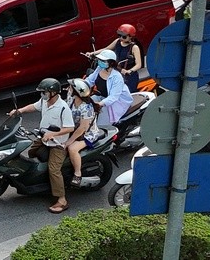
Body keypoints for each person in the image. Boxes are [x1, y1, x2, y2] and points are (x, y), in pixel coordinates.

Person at [9, 78, 73, 213]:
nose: (42, 94)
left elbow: (70, 128)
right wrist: (19, 111)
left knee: (54, 169)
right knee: (31, 154)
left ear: (53, 92)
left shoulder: (63, 108)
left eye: (44, 92)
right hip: (43, 139)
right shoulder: (44, 101)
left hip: (57, 144)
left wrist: (53, 134)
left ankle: (62, 200)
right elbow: (34, 106)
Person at [64, 79, 105, 188]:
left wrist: (69, 141)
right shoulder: (71, 100)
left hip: (87, 135)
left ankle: (77, 174)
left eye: (71, 88)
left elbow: (82, 129)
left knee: (72, 149)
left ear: (76, 91)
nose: (68, 89)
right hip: (72, 130)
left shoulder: (86, 108)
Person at [90, 24, 144, 91]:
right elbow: (107, 49)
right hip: (116, 71)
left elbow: (138, 64)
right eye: (119, 35)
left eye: (124, 37)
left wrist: (129, 71)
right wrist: (93, 53)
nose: (121, 38)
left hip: (128, 76)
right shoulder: (117, 41)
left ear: (130, 36)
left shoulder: (134, 47)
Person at [85, 50, 132, 126]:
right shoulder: (99, 68)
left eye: (103, 61)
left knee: (101, 125)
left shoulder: (117, 77)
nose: (100, 62)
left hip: (113, 103)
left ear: (111, 63)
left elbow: (113, 97)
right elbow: (90, 80)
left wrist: (100, 104)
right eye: (99, 60)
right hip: (101, 97)